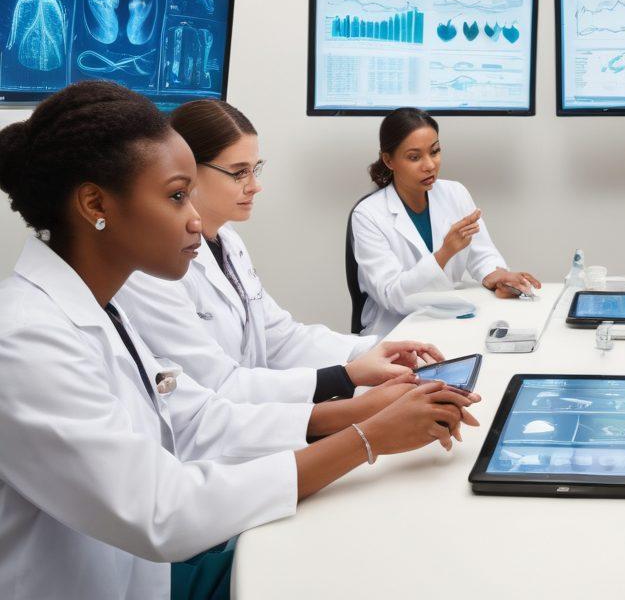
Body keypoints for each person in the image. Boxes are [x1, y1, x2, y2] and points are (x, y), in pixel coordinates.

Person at [0, 82, 479, 600]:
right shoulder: (25, 341)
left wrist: (365, 413)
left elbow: (197, 419)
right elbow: (164, 512)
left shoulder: (98, 307)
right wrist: (366, 440)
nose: (194, 217)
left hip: (146, 574)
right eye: (177, 195)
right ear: (96, 203)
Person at [116, 99, 441, 404]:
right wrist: (344, 377)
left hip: (256, 422)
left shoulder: (228, 242)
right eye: (239, 172)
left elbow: (279, 337)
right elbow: (218, 386)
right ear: (187, 171)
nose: (255, 186)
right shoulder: (151, 268)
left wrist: (376, 349)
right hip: (211, 446)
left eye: (255, 170)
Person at [350, 107, 540, 335]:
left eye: (435, 151)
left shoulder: (455, 193)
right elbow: (393, 297)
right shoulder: (368, 215)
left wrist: (497, 276)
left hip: (450, 320)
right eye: (414, 157)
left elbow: (482, 255)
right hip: (396, 331)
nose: (429, 164)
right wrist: (444, 253)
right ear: (389, 160)